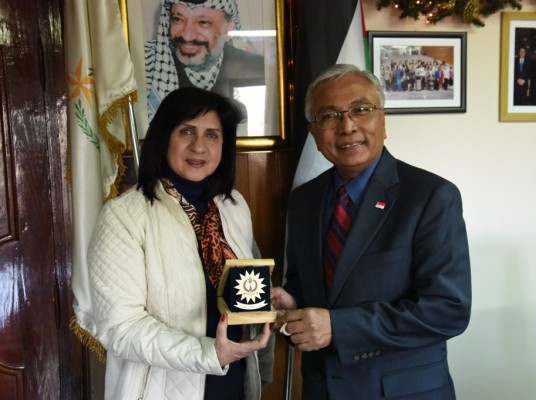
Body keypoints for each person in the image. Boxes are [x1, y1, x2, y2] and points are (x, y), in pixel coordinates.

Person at [271, 64, 471, 400]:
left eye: (361, 110)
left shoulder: (431, 196)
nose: (347, 126)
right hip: (322, 389)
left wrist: (339, 327)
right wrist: (294, 302)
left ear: (383, 120)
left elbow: (448, 310)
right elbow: (311, 287)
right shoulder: (303, 201)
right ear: (314, 133)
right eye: (329, 116)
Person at [86, 87, 273, 400]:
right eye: (186, 131)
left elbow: (246, 286)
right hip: (159, 389)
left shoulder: (234, 206)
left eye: (212, 135)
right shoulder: (124, 216)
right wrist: (207, 354)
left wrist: (269, 299)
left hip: (233, 379)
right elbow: (119, 327)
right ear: (163, 138)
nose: (199, 146)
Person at [145, 0, 266, 121]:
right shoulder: (148, 62)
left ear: (228, 28)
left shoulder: (256, 68)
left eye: (203, 22)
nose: (187, 36)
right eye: (178, 19)